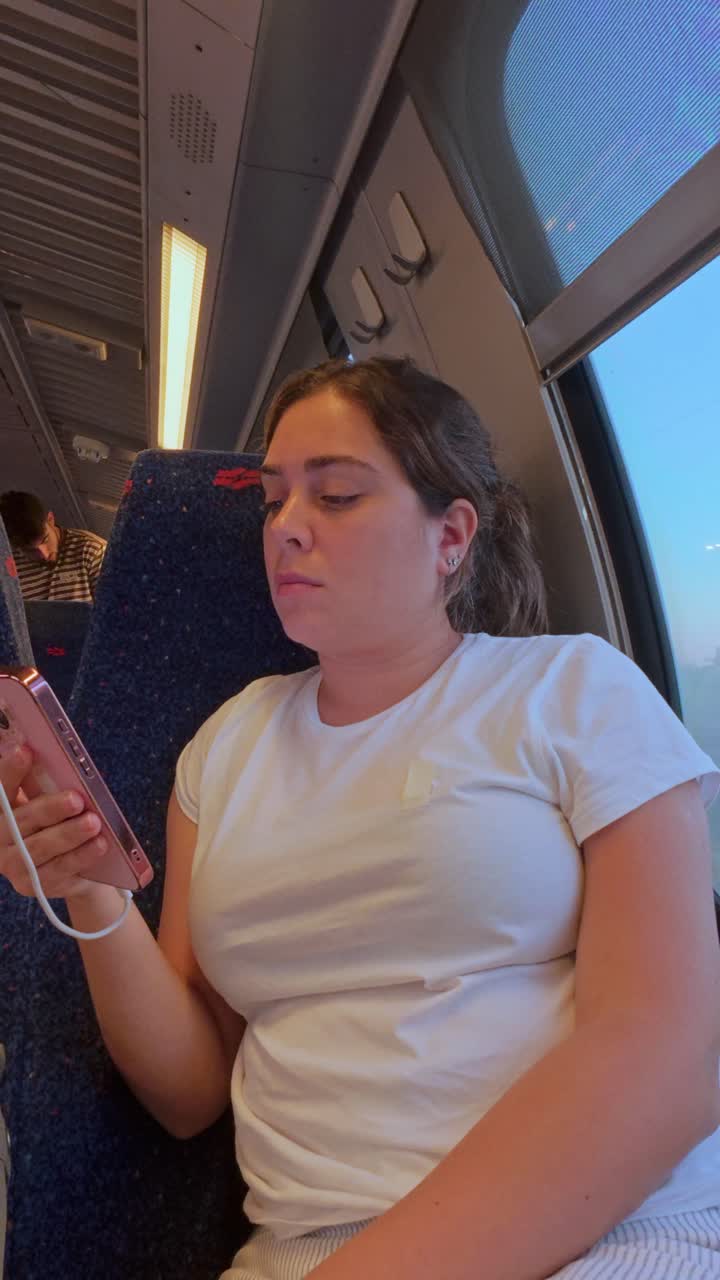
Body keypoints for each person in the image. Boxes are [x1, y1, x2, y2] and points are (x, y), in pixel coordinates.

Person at [0, 356, 719, 1280]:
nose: (286, 531)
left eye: (335, 496)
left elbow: (663, 1063)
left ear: (451, 535)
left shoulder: (573, 690)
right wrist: (94, 895)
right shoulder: (225, 749)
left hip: (611, 1227)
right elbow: (188, 1095)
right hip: (307, 1250)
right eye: (271, 503)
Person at [0, 491, 106, 603]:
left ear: (50, 519)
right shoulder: (7, 567)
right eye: (30, 550)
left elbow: (116, 612)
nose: (44, 555)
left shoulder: (93, 551)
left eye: (45, 539)